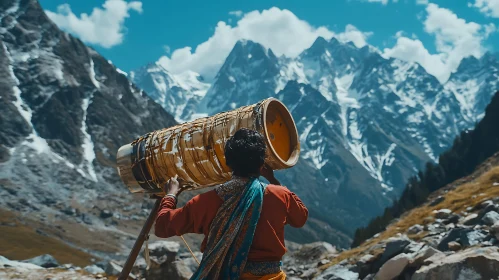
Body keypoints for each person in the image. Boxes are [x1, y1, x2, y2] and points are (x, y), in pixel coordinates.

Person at [154, 128, 308, 280]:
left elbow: (162, 226)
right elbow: (300, 218)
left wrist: (170, 195)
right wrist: (272, 179)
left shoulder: (206, 202)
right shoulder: (280, 195)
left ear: (228, 162)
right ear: (261, 163)